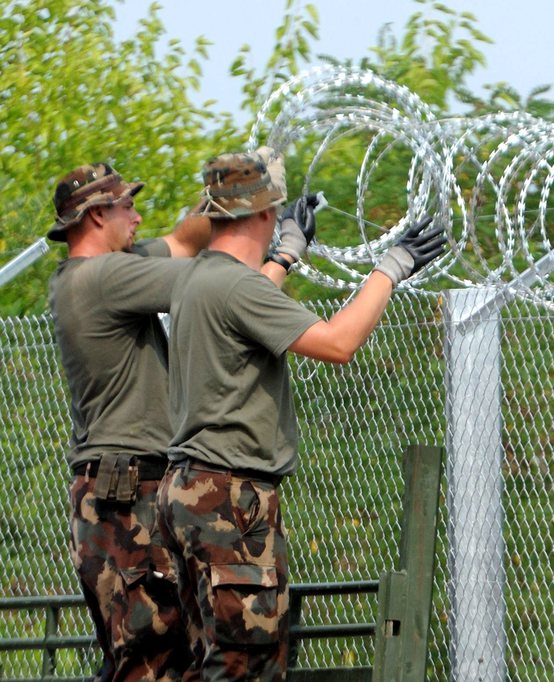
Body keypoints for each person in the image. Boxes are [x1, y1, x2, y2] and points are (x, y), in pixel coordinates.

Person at [155, 150, 445, 680]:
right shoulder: (236, 288)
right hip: (231, 503)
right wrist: (390, 269)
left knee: (207, 662)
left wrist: (287, 255)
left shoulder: (195, 281)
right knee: (245, 666)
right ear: (265, 215)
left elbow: (248, 302)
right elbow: (338, 343)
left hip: (188, 494)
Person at [47, 157, 315, 681]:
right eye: (128, 205)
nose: (138, 217)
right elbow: (221, 284)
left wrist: (233, 191)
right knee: (152, 661)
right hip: (131, 492)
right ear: (97, 216)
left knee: (156, 656)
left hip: (123, 490)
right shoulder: (108, 277)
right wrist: (278, 249)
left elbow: (185, 240)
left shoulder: (92, 272)